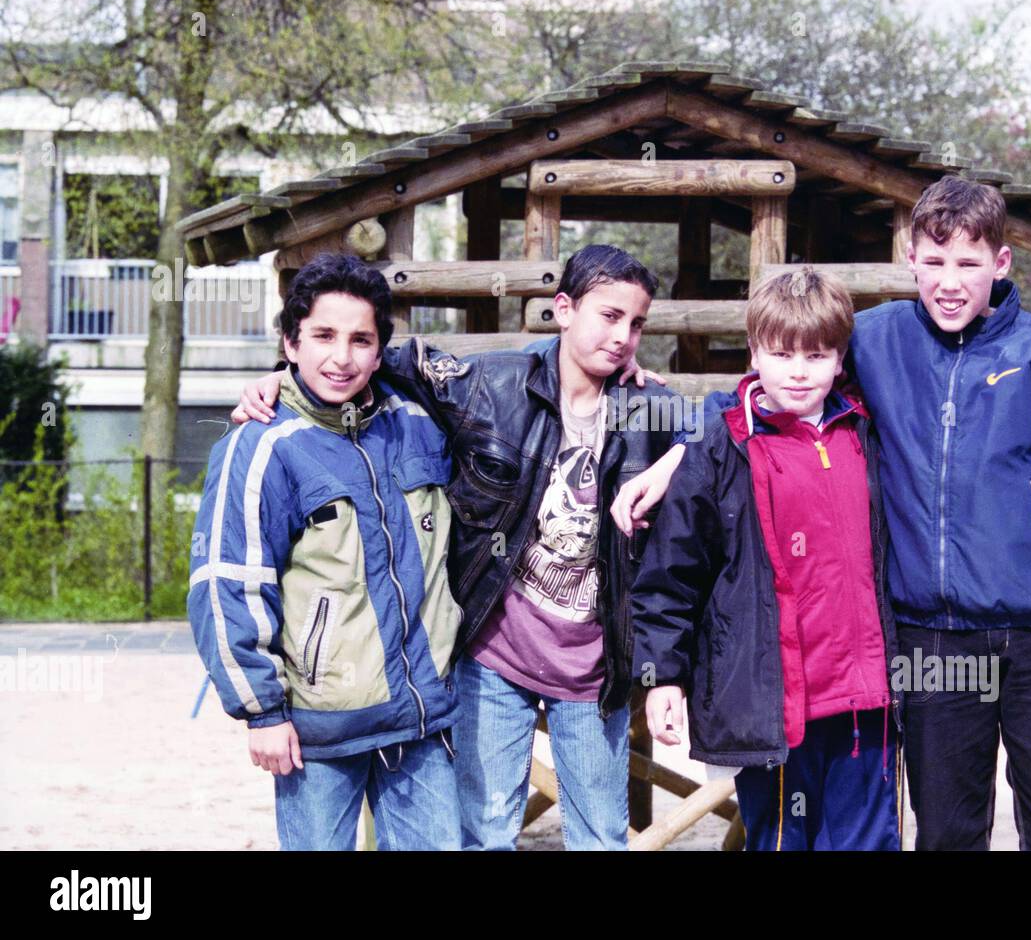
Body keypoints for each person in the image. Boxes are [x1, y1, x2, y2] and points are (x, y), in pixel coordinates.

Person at [614, 176, 1031, 850]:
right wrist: (679, 456)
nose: (950, 282)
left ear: (1001, 262)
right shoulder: (874, 341)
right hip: (929, 640)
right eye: (934, 263)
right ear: (911, 258)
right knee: (946, 831)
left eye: (968, 263)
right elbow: (775, 385)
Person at [233, 244, 691, 850]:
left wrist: (677, 457)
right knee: (484, 834)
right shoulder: (490, 387)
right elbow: (379, 360)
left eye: (637, 324)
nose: (623, 336)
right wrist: (281, 376)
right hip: (495, 658)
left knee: (603, 838)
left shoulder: (649, 409)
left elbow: (733, 431)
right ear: (563, 309)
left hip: (595, 668)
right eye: (608, 316)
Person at [189, 252, 463, 850]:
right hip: (317, 725)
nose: (342, 357)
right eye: (322, 335)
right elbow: (226, 584)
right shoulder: (259, 447)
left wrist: (621, 380)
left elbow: (518, 384)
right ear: (289, 341)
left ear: (381, 349)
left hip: (420, 718)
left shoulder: (418, 419)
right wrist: (261, 711)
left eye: (361, 340)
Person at [630, 268, 901, 850]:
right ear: (755, 352)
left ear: (840, 359)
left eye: (817, 355)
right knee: (780, 842)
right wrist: (663, 677)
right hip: (775, 703)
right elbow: (670, 578)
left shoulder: (869, 434)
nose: (799, 371)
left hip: (867, 701)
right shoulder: (719, 448)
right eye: (781, 354)